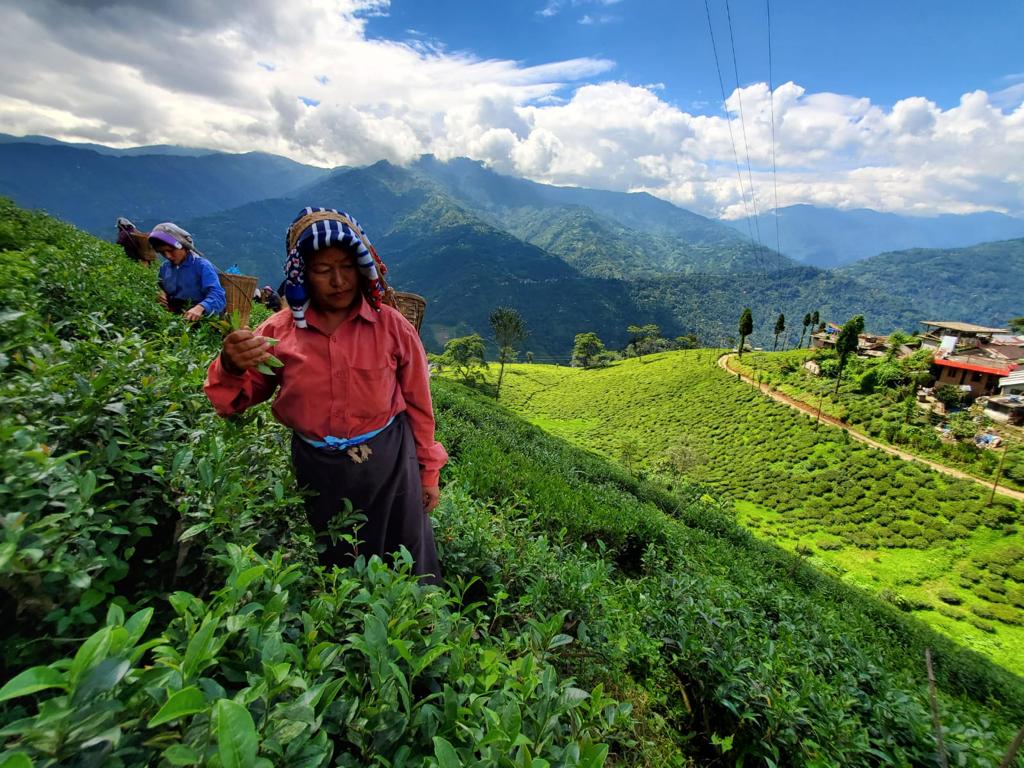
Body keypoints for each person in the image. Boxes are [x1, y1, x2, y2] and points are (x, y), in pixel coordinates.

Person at [203, 206, 446, 583]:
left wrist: (428, 471)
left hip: (389, 462)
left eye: (346, 267)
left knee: (404, 551)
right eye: (322, 270)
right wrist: (231, 366)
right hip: (317, 467)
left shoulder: (391, 327)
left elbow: (418, 403)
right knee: (334, 559)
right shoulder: (278, 332)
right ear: (302, 274)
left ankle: (420, 629)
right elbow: (231, 401)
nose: (338, 281)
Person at [149, 222, 226, 322]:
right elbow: (159, 285)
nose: (167, 256)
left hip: (199, 321)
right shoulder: (165, 267)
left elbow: (218, 295)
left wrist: (200, 308)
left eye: (171, 250)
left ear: (184, 247)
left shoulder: (202, 266)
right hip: (173, 318)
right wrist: (160, 293)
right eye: (162, 252)